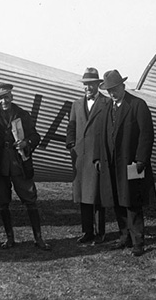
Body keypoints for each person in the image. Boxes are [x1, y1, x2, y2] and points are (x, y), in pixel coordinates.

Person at [93, 70, 156, 256]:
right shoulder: (106, 109)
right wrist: (98, 157)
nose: (112, 93)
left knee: (132, 201)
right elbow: (100, 135)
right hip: (111, 164)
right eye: (109, 90)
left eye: (115, 88)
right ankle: (124, 236)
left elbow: (146, 135)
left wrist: (141, 160)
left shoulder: (137, 105)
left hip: (131, 163)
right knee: (116, 200)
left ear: (123, 86)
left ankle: (138, 241)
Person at [0, 83, 50, 251]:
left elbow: (36, 136)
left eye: (6, 97)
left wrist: (26, 142)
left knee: (30, 199)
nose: (3, 101)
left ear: (12, 97)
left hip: (19, 163)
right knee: (2, 201)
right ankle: (9, 238)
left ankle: (38, 238)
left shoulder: (23, 114)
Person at [66, 68, 110, 245]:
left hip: (97, 155)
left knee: (98, 195)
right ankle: (87, 231)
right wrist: (70, 143)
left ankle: (100, 233)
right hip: (80, 156)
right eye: (85, 85)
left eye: (91, 84)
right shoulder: (76, 104)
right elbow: (71, 125)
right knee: (83, 195)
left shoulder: (107, 103)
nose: (87, 88)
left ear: (98, 85)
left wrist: (102, 154)